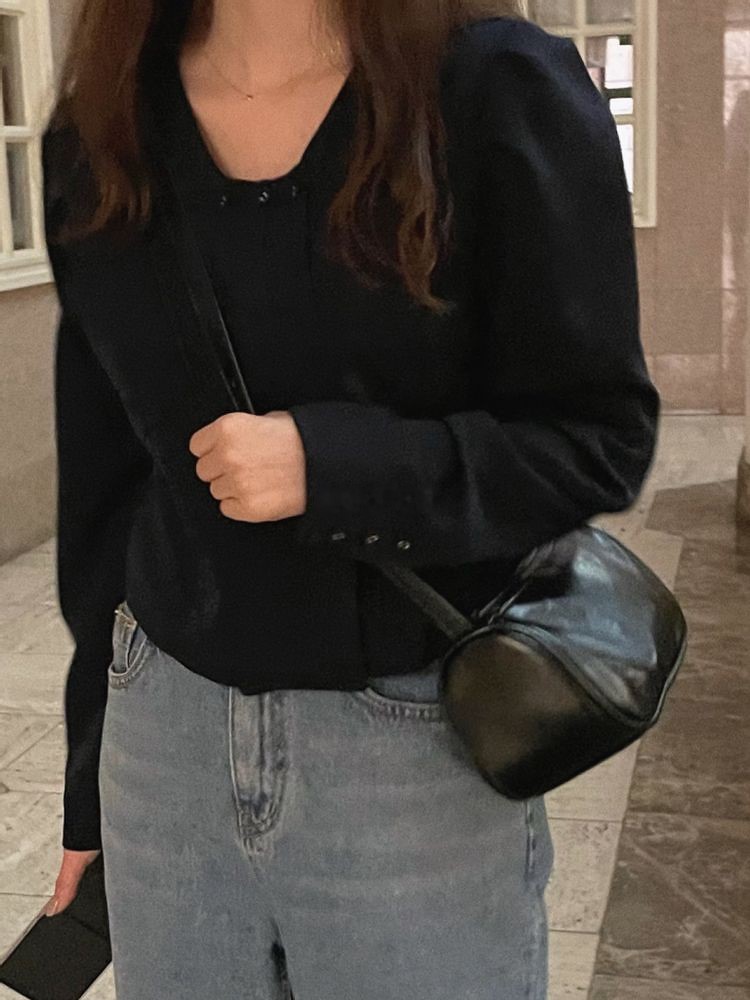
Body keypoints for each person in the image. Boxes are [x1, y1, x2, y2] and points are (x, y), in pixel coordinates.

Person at [40, 0, 660, 996]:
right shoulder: (102, 128)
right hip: (162, 743)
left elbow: (598, 440)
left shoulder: (497, 90)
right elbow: (104, 489)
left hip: (413, 746)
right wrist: (89, 779)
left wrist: (335, 467)